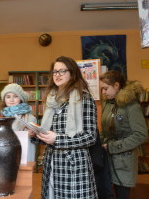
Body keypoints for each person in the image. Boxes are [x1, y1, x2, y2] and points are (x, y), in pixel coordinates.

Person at [30, 56, 98, 199]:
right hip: (52, 163)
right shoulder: (51, 99)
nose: (57, 75)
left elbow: (91, 137)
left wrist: (57, 139)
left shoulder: (84, 98)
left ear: (72, 74)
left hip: (74, 165)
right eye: (55, 72)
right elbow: (49, 137)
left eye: (62, 71)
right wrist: (35, 134)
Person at [99, 70, 148, 199]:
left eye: (105, 88)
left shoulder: (131, 105)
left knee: (122, 195)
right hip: (108, 159)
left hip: (124, 161)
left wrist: (113, 146)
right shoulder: (108, 104)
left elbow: (141, 134)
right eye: (102, 89)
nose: (103, 92)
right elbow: (105, 130)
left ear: (116, 85)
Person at [0, 83, 37, 162]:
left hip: (22, 156)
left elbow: (35, 138)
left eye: (15, 96)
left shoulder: (30, 118)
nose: (11, 100)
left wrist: (32, 134)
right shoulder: (1, 116)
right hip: (5, 155)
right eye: (8, 97)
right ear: (4, 99)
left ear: (21, 99)